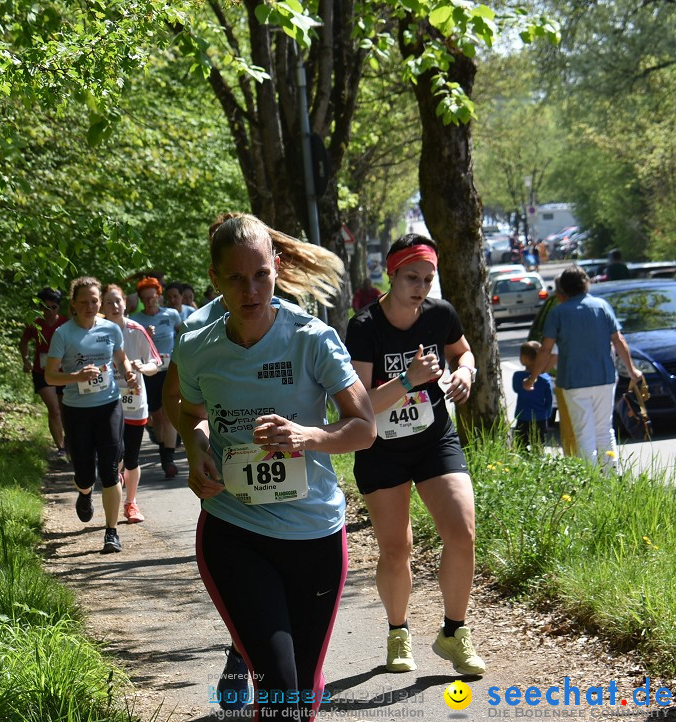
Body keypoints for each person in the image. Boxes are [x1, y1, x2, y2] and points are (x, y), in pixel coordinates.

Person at [176, 214, 376, 720]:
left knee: (300, 693)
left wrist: (306, 436)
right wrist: (195, 446)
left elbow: (364, 426)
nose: (251, 290)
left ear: (277, 269)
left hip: (314, 533)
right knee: (279, 689)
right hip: (234, 530)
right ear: (215, 278)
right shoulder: (198, 346)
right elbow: (190, 412)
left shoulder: (312, 338)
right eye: (236, 279)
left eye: (261, 275)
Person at [345, 233, 486, 676]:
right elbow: (359, 405)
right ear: (392, 273)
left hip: (433, 439)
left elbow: (464, 353)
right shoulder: (365, 326)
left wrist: (465, 371)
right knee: (396, 548)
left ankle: (454, 633)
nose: (421, 287)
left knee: (462, 533)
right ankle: (398, 631)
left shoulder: (440, 315)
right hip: (381, 448)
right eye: (412, 277)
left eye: (428, 278)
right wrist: (408, 381)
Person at [45, 277, 139, 553]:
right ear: (73, 304)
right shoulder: (63, 334)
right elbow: (51, 376)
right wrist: (76, 376)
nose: (90, 306)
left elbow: (120, 358)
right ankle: (84, 493)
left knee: (110, 470)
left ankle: (111, 532)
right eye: (83, 302)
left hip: (109, 405)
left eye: (94, 301)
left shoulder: (111, 329)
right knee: (85, 473)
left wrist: (128, 373)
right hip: (76, 412)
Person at [524, 266, 641, 470]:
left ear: (562, 289)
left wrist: (532, 378)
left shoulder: (558, 313)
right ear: (585, 283)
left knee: (583, 432)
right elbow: (619, 340)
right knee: (605, 429)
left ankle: (593, 481)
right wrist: (632, 370)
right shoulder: (602, 306)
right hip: (604, 376)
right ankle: (612, 475)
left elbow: (546, 350)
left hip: (574, 381)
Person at [102, 284, 162, 523]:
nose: (115, 306)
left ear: (125, 303)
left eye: (118, 301)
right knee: (115, 456)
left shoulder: (136, 330)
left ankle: (131, 503)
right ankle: (115, 492)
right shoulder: (97, 332)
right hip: (105, 403)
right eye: (109, 302)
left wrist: (141, 367)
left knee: (132, 457)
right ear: (102, 306)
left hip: (135, 403)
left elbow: (155, 363)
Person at [130, 277, 184, 478]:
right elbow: (134, 348)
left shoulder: (171, 315)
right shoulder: (137, 321)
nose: (150, 301)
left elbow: (182, 334)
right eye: (146, 299)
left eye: (153, 297)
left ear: (159, 296)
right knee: (158, 417)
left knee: (170, 414)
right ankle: (164, 452)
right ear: (142, 300)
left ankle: (169, 460)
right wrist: (146, 338)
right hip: (150, 371)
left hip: (170, 369)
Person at [18, 287, 68, 459]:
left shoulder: (66, 323)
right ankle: (61, 448)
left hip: (64, 373)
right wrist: (26, 360)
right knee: (54, 410)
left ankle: (70, 443)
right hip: (42, 372)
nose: (49, 312)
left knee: (64, 410)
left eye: (53, 308)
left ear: (58, 307)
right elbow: (24, 342)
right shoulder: (35, 323)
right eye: (45, 308)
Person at [511, 341, 553, 449]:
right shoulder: (545, 379)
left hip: (523, 416)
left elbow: (516, 389)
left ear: (524, 358)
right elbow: (549, 400)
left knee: (521, 444)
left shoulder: (518, 376)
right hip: (540, 417)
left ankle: (523, 463)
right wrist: (546, 414)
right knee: (539, 444)